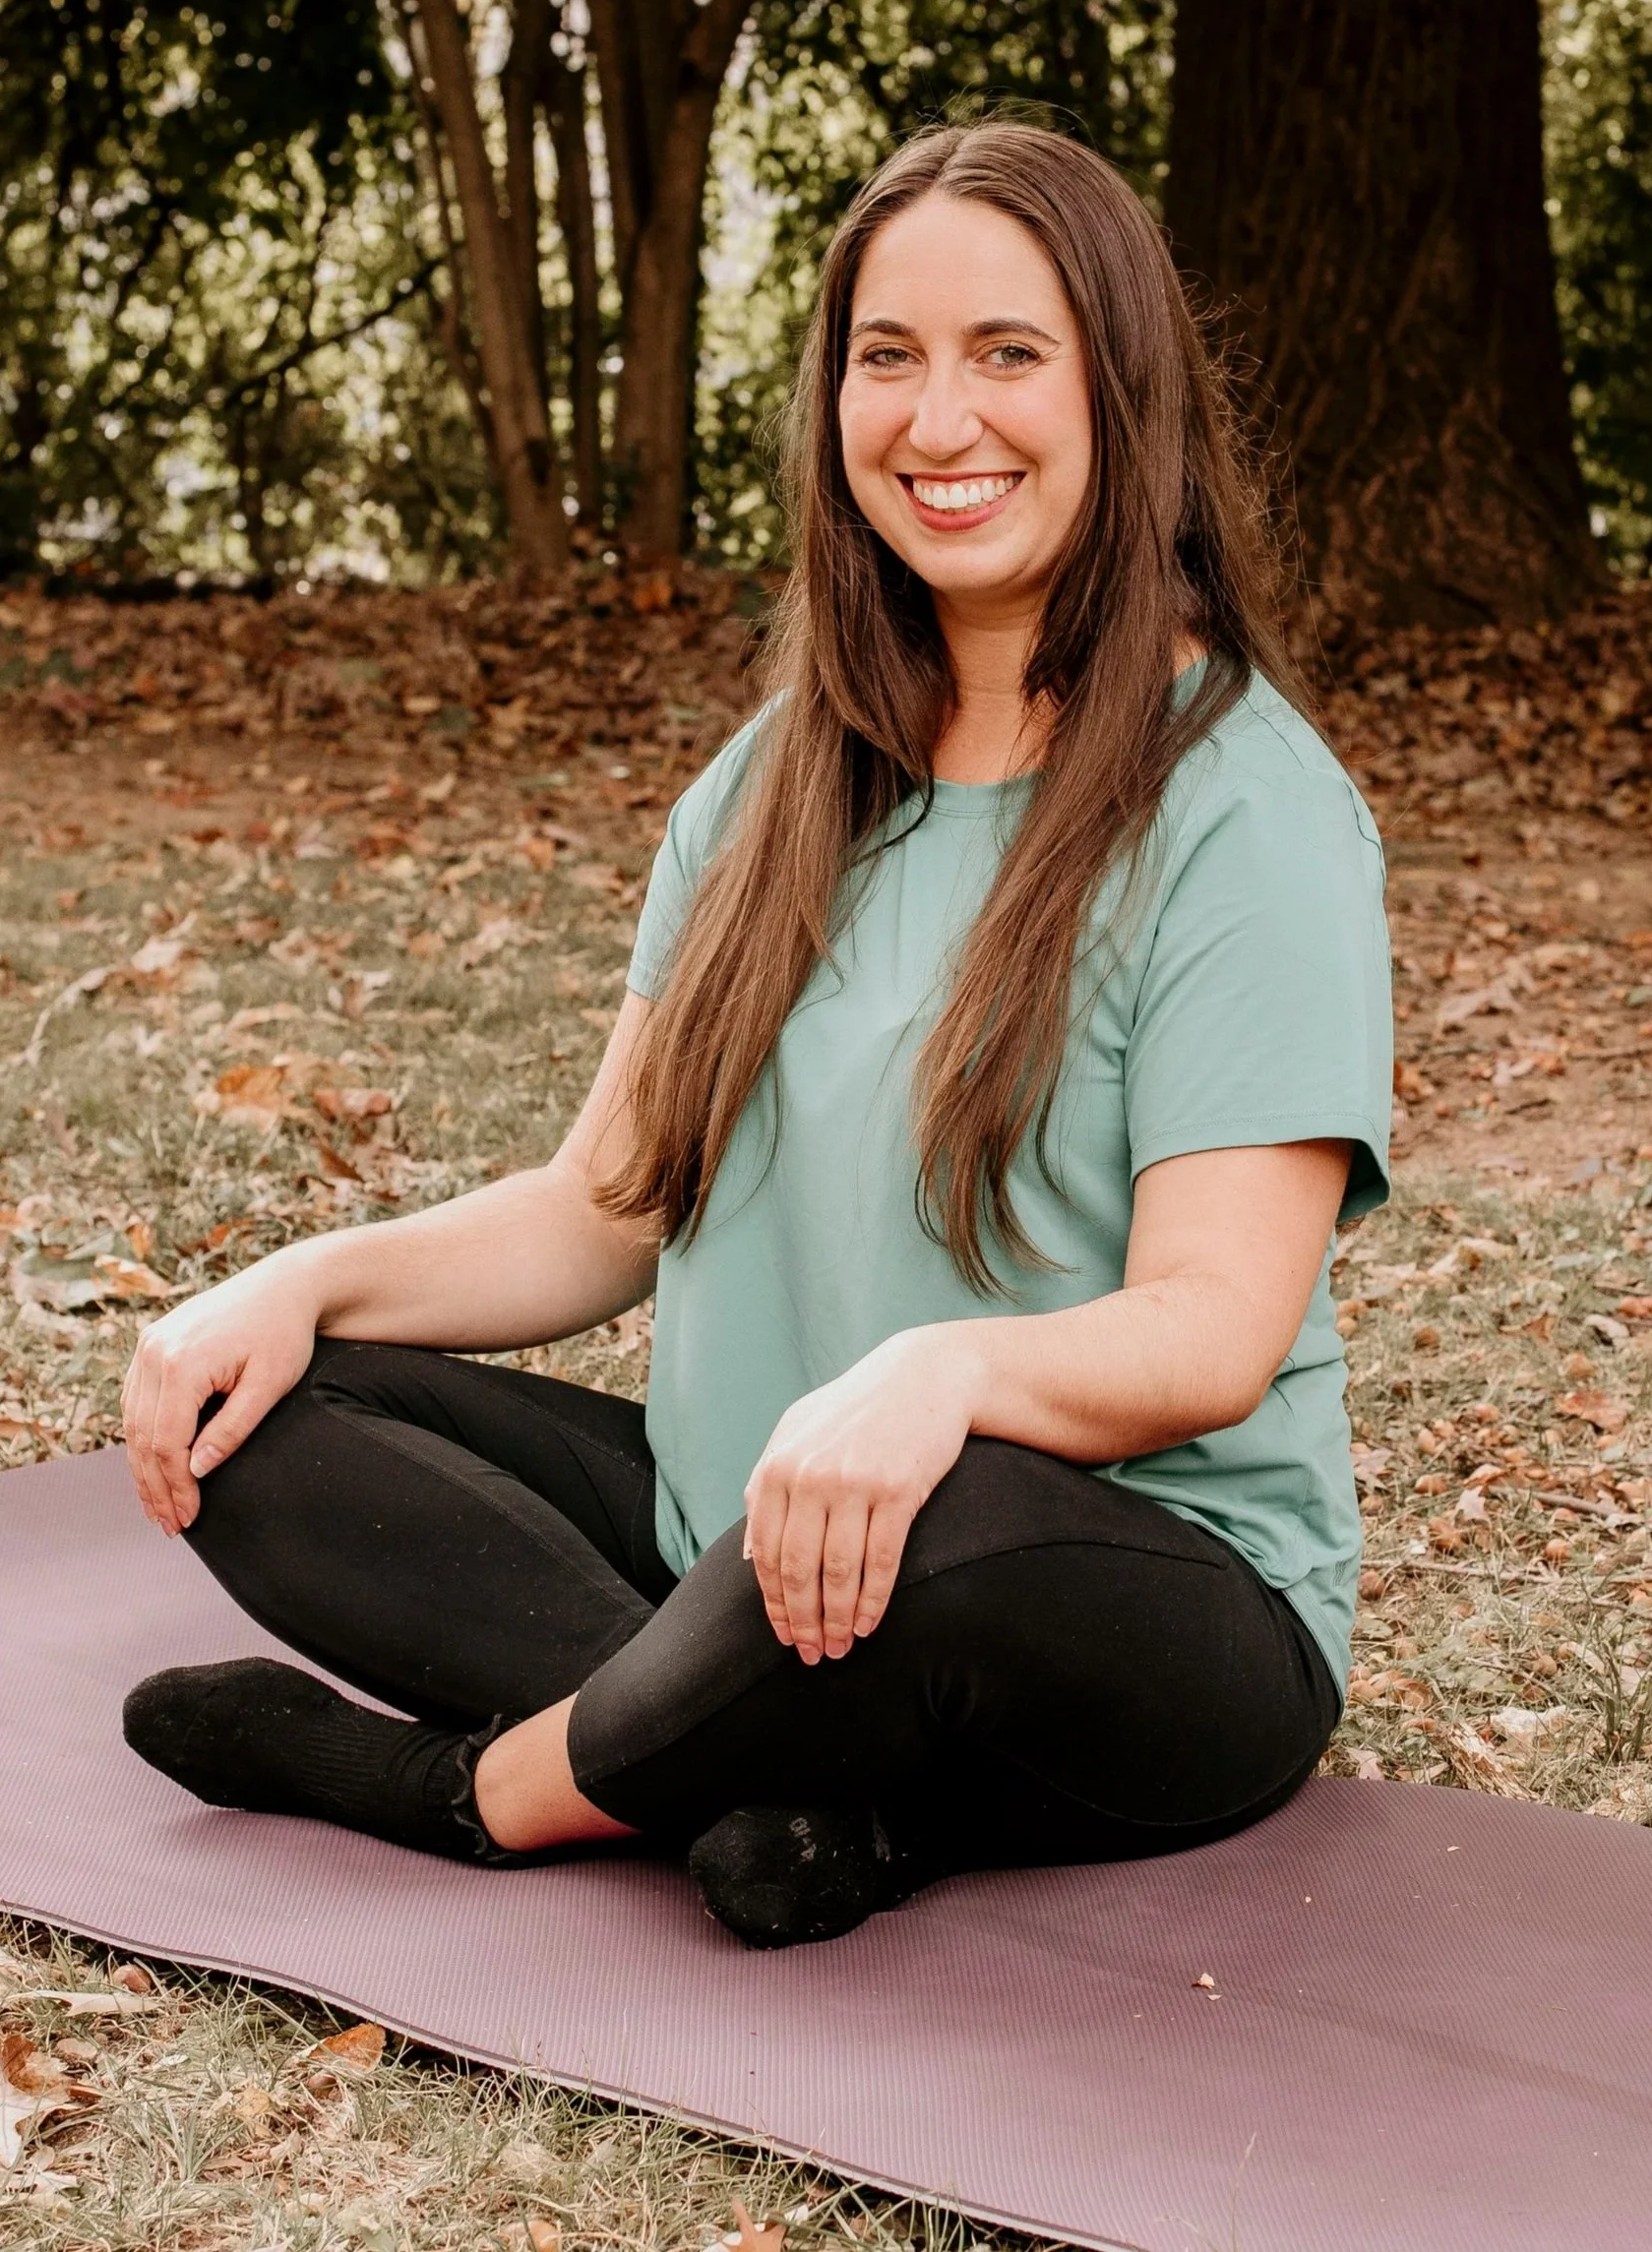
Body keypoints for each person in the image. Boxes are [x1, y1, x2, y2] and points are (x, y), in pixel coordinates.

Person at [120, 118, 1393, 1949]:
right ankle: (795, 1784)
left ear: (1126, 393)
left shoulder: (1244, 809)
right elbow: (605, 1202)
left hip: (1114, 1594)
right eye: (889, 358)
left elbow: (1212, 1333)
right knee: (262, 1416)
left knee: (935, 1538)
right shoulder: (772, 785)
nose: (938, 421)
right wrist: (303, 1279)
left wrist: (937, 1377)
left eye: (1006, 355)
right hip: (736, 1555)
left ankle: (475, 1791)